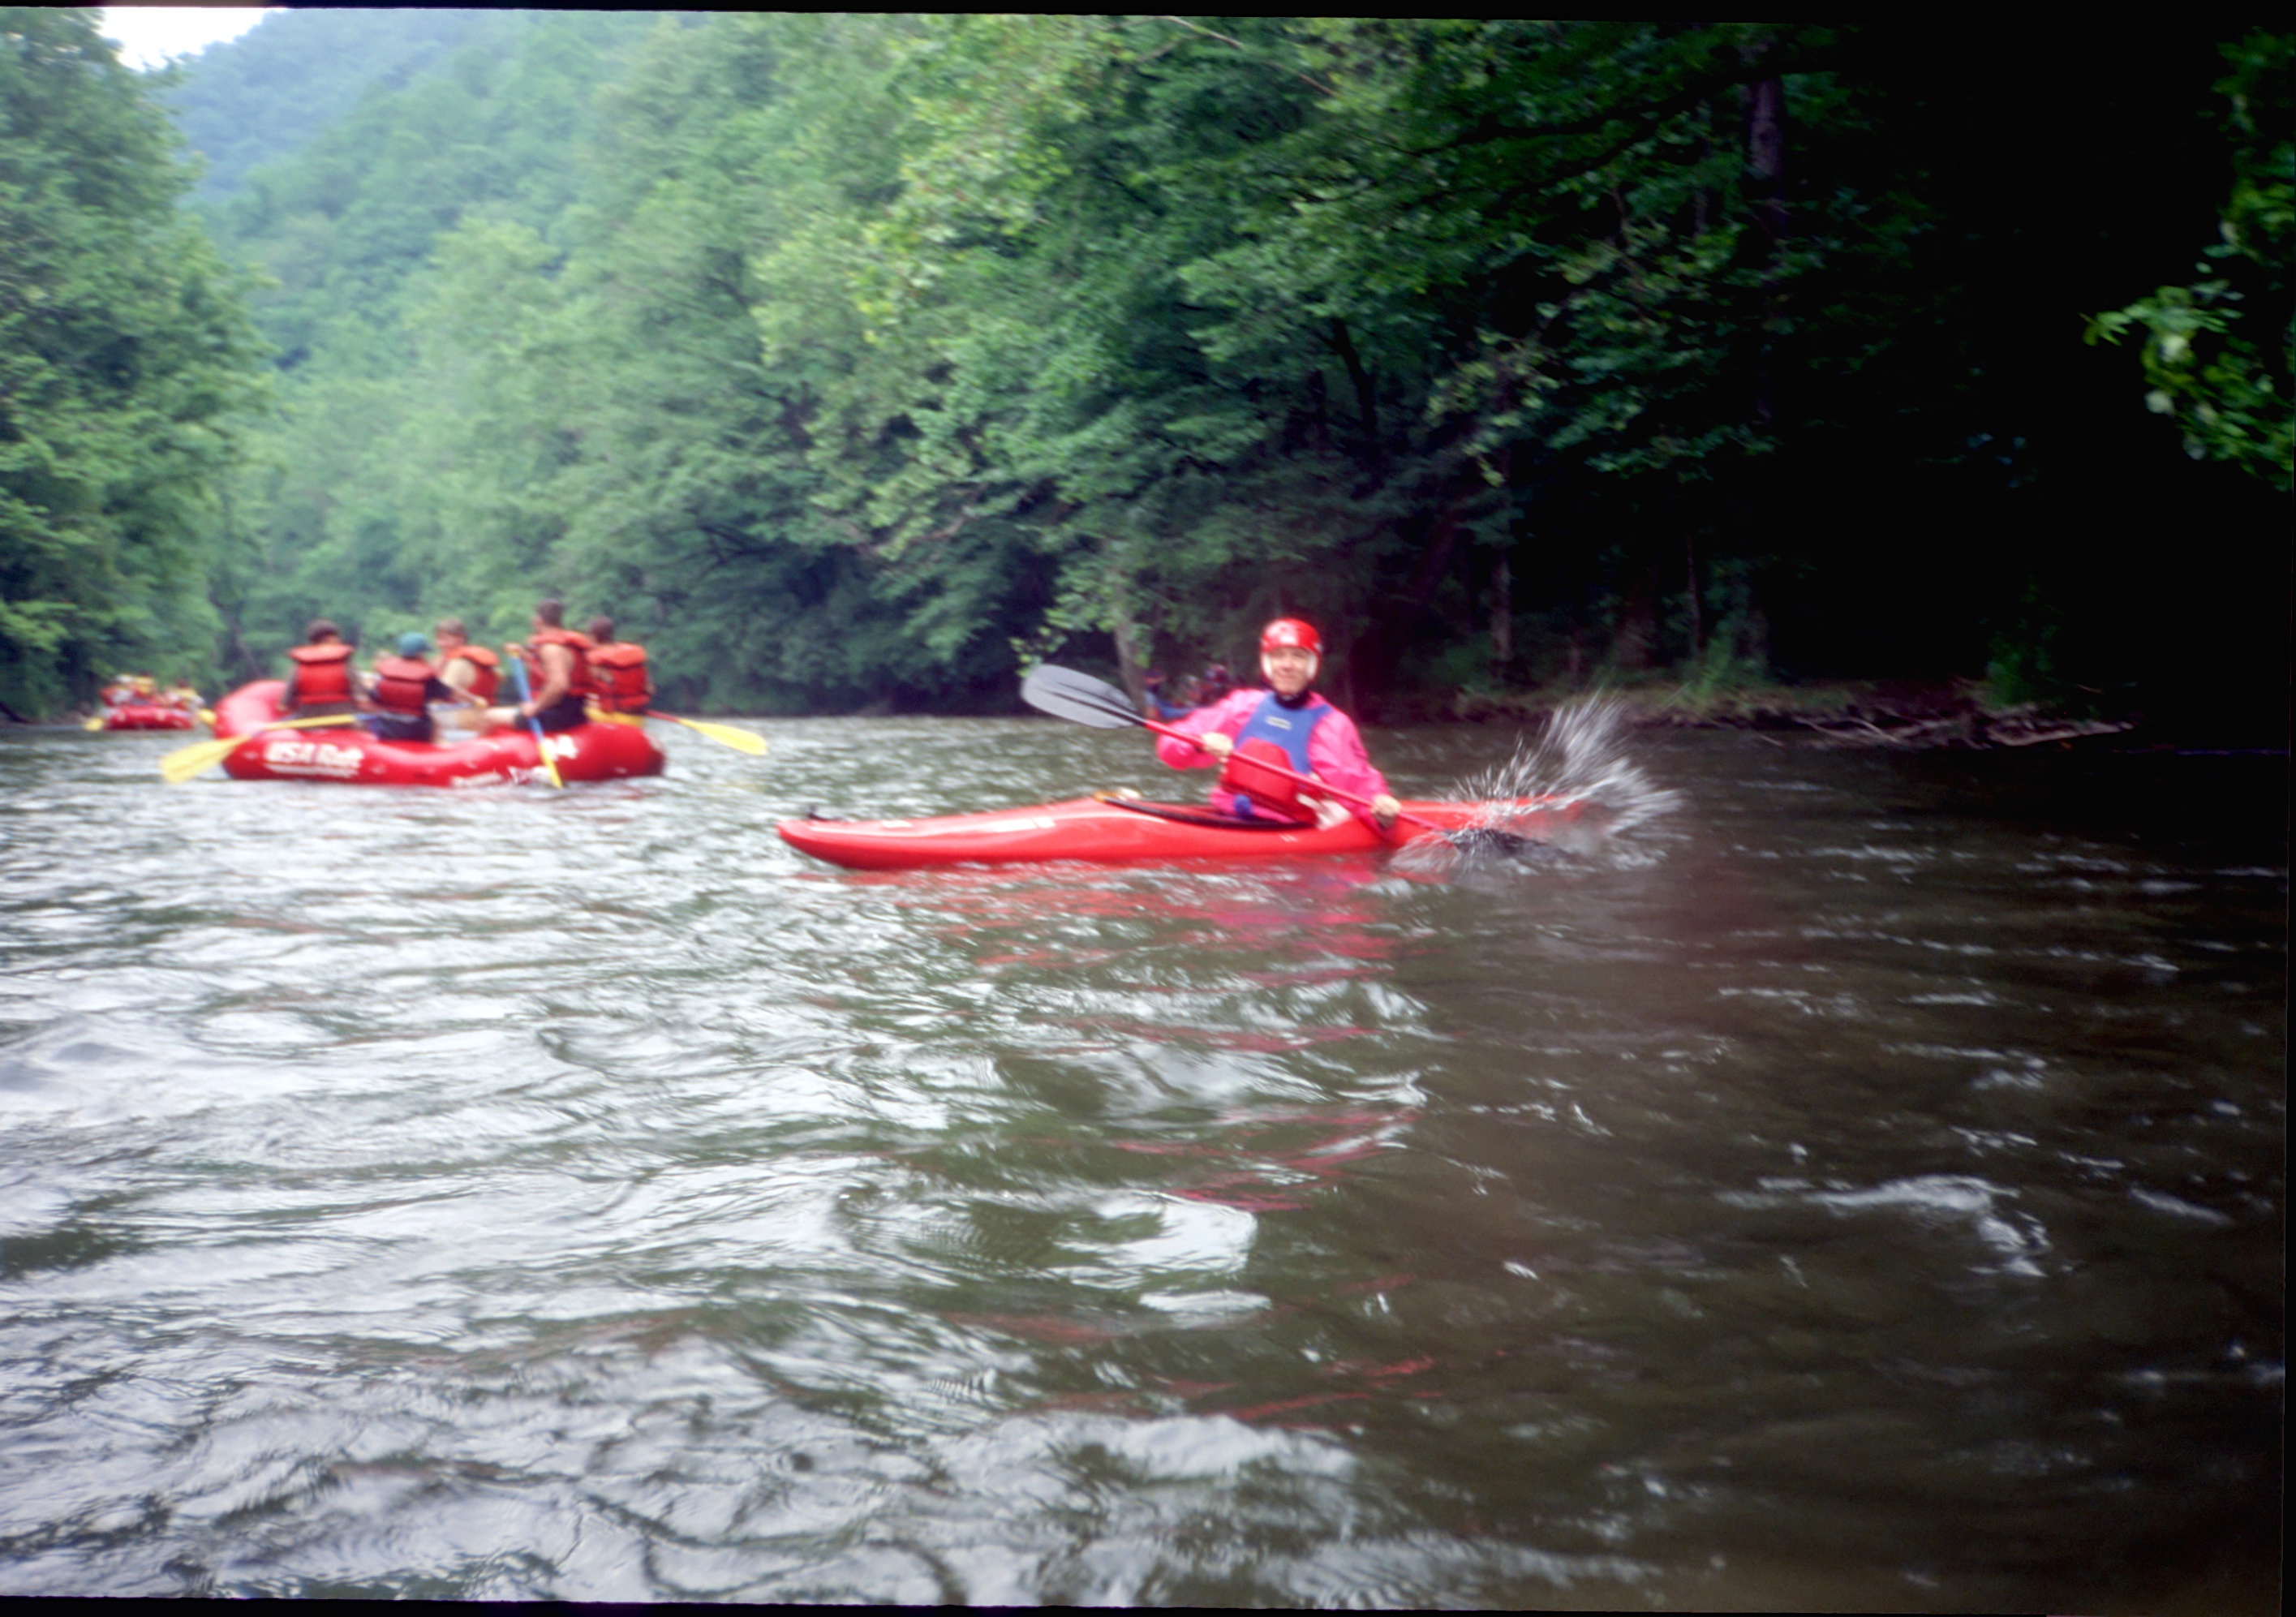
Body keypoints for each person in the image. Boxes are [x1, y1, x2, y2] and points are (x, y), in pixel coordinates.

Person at [1154, 617, 1402, 830]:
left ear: (1312, 665)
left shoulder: (1329, 724)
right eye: (1279, 656)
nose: (1287, 665)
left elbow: (1357, 785)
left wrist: (1381, 811)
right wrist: (1199, 744)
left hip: (1284, 830)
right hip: (1227, 817)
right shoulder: (1242, 706)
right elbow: (1168, 748)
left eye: (1298, 656)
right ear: (1267, 663)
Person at [506, 598, 598, 733]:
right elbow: (546, 672)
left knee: (489, 717)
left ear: (537, 620)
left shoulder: (550, 648)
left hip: (555, 716)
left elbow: (559, 684)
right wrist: (524, 656)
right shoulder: (564, 646)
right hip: (576, 713)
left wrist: (534, 708)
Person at [364, 633, 459, 744]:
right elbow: (450, 695)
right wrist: (472, 700)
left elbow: (373, 698)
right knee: (436, 723)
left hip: (388, 729)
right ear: (420, 654)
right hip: (416, 730)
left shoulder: (386, 674)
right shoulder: (427, 678)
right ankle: (433, 750)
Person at [282, 619, 359, 718]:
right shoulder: (345, 661)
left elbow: (284, 705)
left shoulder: (301, 663)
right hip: (344, 717)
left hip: (307, 717)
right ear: (331, 639)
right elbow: (359, 694)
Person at [584, 616, 652, 719]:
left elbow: (583, 689)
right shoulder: (633, 656)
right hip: (636, 716)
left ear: (593, 637)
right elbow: (650, 689)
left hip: (610, 715)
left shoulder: (596, 660)